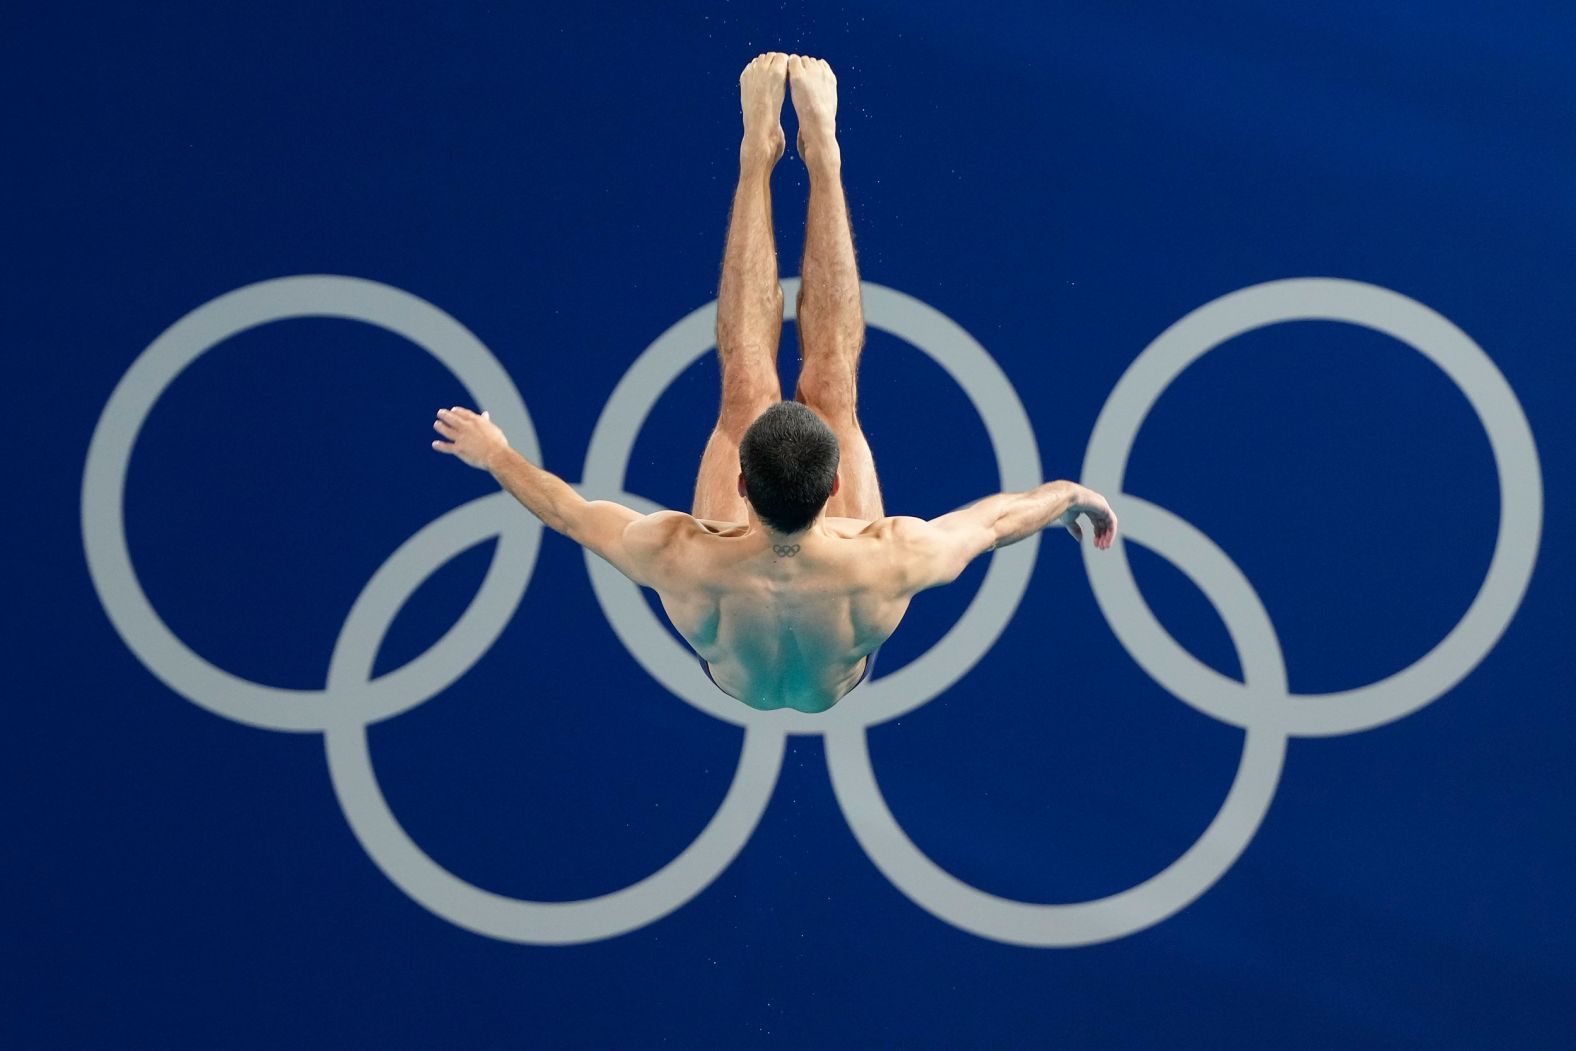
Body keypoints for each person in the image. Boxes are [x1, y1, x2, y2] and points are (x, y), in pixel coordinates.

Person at [431, 53, 1117, 713]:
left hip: (728, 625)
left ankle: (756, 161)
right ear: (834, 487)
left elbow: (566, 511)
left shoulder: (679, 555)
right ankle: (824, 162)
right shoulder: (893, 557)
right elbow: (997, 521)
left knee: (745, 394)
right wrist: (1070, 495)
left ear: (739, 484)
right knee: (833, 391)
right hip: (843, 620)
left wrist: (493, 452)